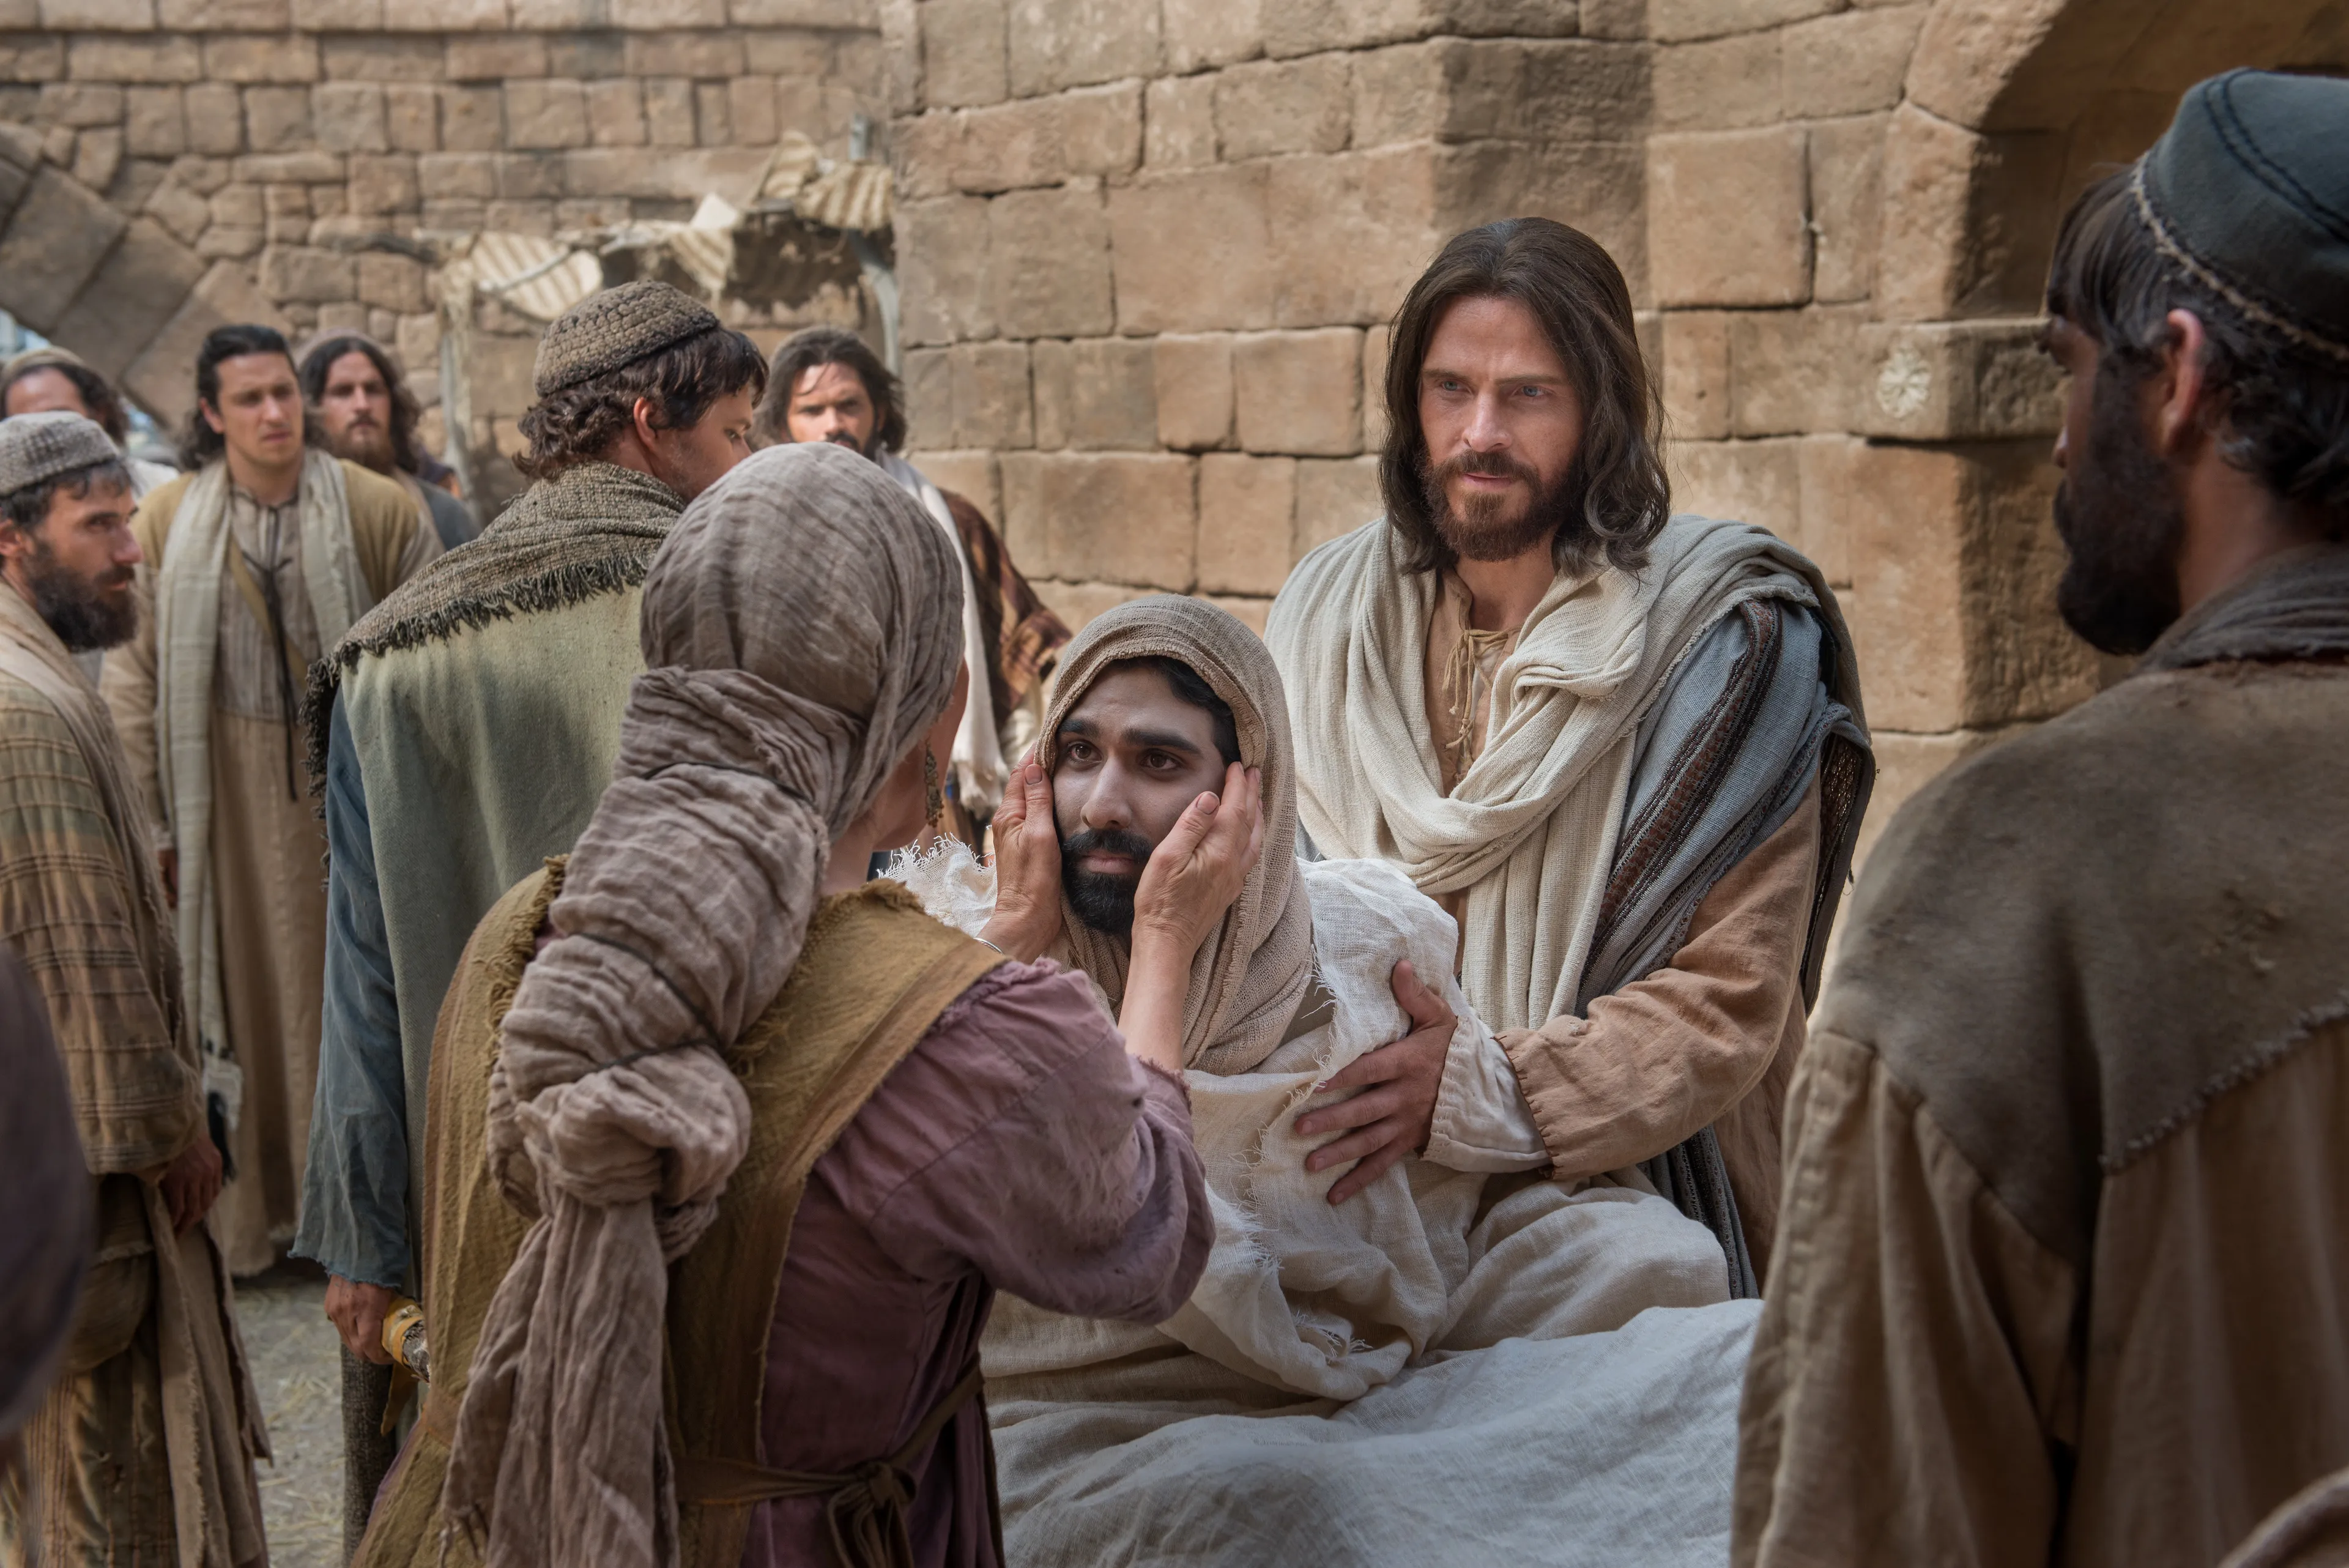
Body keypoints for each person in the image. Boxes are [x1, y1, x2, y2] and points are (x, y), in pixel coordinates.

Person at [350, 440, 1217, 1568]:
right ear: (939, 702)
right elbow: (1150, 1237)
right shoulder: (980, 1033)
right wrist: (1162, 946)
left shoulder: (527, 936)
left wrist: (988, 961)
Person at [1735, 70, 2349, 1567]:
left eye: (2073, 369)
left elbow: (1867, 1517)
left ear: (2180, 377)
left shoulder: (2018, 879)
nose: (2061, 444)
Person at [889, 595, 1759, 1565]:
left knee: (1688, 1291)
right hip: (1108, 1401)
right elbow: (1126, 1222)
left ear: (1250, 799)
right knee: (1284, 1513)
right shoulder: (971, 971)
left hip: (1374, 1343)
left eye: (1159, 761)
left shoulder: (1360, 938)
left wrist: (1464, 1098)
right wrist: (1146, 948)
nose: (1099, 802)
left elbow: (1437, 1194)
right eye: (1079, 753)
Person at [1265, 218, 1871, 1293]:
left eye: (1528, 394)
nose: (1480, 432)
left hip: (1643, 1188)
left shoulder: (1727, 647)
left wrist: (1480, 1091)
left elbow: (1728, 998)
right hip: (1361, 1187)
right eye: (1451, 389)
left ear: (1600, 412)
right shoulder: (1326, 621)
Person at [291, 280, 764, 1551]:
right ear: (653, 422)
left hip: (477, 1201)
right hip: (727, 1185)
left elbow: (368, 985)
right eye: (736, 434)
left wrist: (366, 1239)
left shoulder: (389, 654)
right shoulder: (731, 607)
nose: (749, 467)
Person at [99, 322, 442, 1279]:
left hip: (349, 798)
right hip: (223, 808)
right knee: (245, 1004)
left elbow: (428, 661)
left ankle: (364, 1216)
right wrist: (153, 826)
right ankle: (264, 1217)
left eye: (285, 392)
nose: (276, 412)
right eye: (250, 399)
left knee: (358, 1000)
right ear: (212, 414)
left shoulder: (376, 509)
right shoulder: (166, 520)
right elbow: (132, 682)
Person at [0, 411, 267, 1565]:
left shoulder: (40, 674)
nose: (130, 548)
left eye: (127, 516)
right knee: (112, 1510)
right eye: (97, 523)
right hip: (92, 1200)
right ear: (11, 542)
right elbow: (75, 952)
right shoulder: (25, 707)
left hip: (71, 1176)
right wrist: (171, 1134)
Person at [760, 325, 1070, 828]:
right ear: (783, 424)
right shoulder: (763, 526)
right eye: (812, 410)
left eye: (849, 405)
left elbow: (1013, 679)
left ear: (878, 412)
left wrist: (1019, 802)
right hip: (809, 796)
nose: (833, 424)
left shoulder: (950, 520)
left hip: (931, 794)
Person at [300, 330, 480, 550]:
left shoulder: (445, 516)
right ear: (312, 407)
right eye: (343, 392)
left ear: (393, 404)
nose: (362, 404)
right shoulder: (288, 519)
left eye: (373, 390)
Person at [0, 344, 178, 497]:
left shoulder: (162, 490)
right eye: (23, 425)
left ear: (98, 414)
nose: (42, 437)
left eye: (57, 418)